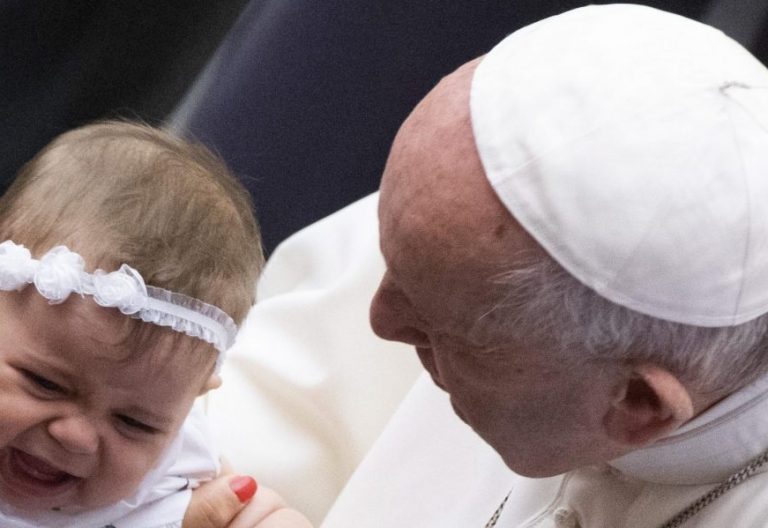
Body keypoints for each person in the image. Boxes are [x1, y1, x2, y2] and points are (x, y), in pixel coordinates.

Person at [0, 121, 312, 527]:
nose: (75, 435)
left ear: (189, 403)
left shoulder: (167, 483)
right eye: (44, 383)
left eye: (135, 424)